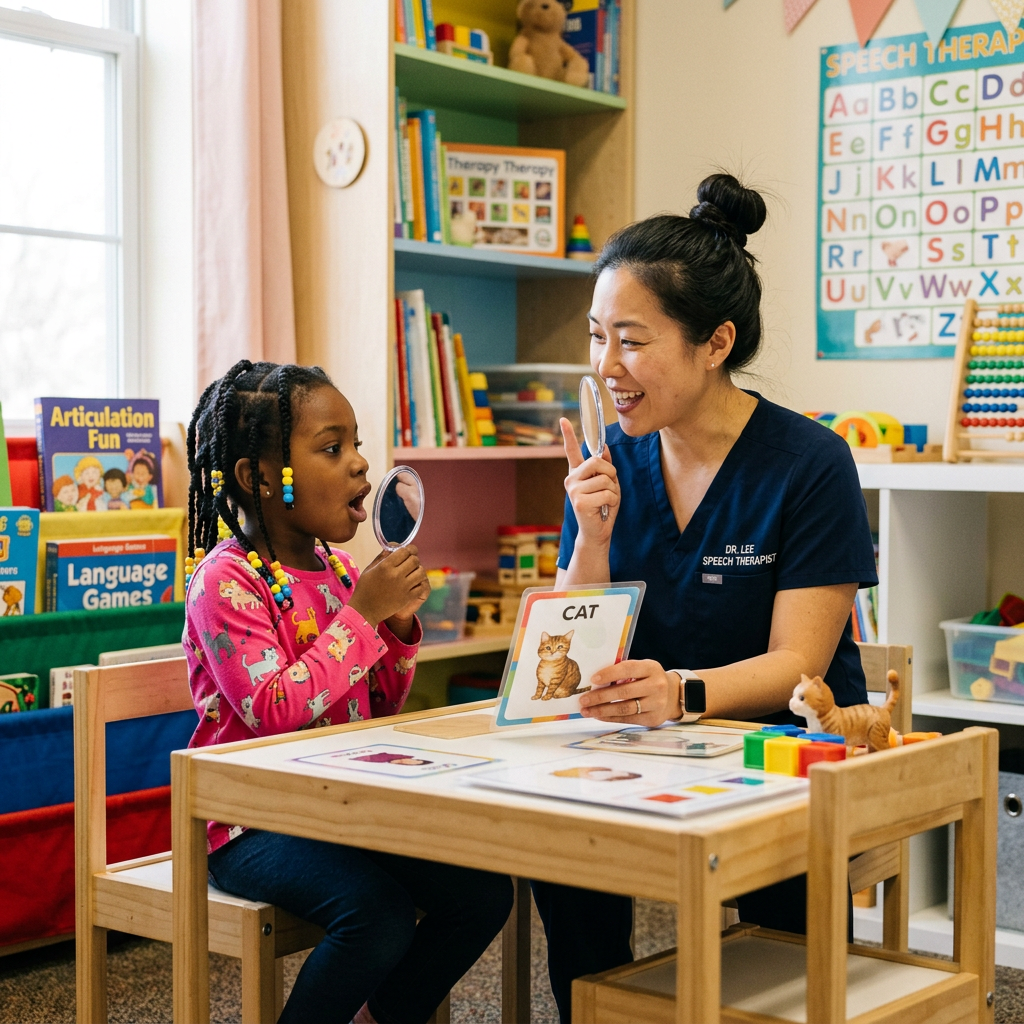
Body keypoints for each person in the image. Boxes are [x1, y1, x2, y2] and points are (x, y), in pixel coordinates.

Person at [535, 174, 878, 1021]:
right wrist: (590, 537)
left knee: (778, 977)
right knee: (561, 856)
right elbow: (570, 659)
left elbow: (800, 662)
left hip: (783, 748)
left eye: (631, 340)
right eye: (595, 337)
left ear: (715, 342)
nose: (606, 367)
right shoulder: (612, 460)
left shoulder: (810, 463)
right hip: (645, 750)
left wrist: (680, 691)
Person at [183, 361, 513, 1024]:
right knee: (377, 914)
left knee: (481, 893)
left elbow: (375, 708)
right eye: (333, 449)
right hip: (251, 820)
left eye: (357, 443)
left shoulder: (336, 570)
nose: (361, 464)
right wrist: (362, 618)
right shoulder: (226, 581)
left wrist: (395, 630)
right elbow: (274, 712)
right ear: (257, 477)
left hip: (337, 804)